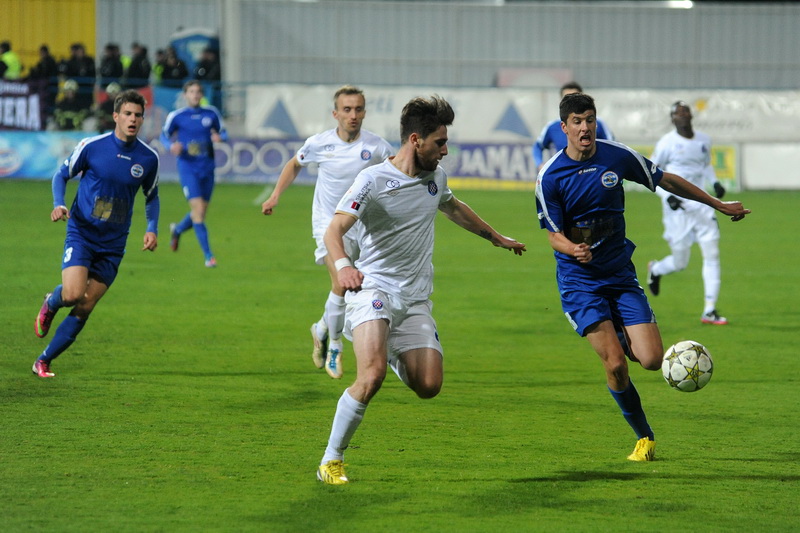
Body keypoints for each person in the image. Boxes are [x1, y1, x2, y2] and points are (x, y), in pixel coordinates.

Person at [316, 95, 527, 485]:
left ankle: (388, 345)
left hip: (414, 300)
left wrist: (495, 237)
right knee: (371, 375)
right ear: (416, 140)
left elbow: (453, 207)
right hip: (373, 288)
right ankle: (331, 460)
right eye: (439, 143)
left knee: (429, 386)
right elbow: (334, 230)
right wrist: (344, 267)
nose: (445, 151)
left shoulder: (436, 178)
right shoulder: (373, 180)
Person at [534, 93, 748, 462]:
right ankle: (644, 437)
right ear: (564, 127)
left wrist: (718, 204)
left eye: (590, 119)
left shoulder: (617, 156)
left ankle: (619, 330)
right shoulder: (551, 176)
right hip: (580, 281)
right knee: (615, 363)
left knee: (650, 360)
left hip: (618, 274)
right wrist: (573, 248)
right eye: (577, 122)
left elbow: (666, 180)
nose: (585, 128)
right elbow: (553, 234)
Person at [260, 85, 394, 379]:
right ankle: (334, 346)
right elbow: (294, 164)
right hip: (327, 224)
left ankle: (321, 328)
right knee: (343, 284)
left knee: (348, 288)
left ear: (364, 112)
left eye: (358, 109)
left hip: (361, 226)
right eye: (346, 110)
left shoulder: (378, 147)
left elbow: (393, 177)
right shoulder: (319, 143)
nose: (353, 115)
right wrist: (274, 196)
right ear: (335, 114)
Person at [33, 89, 160, 378]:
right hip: (83, 233)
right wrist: (58, 203)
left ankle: (44, 360)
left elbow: (152, 196)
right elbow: (61, 175)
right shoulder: (92, 146)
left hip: (113, 243)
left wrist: (151, 229)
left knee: (86, 304)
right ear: (116, 116)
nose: (133, 119)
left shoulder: (148, 158)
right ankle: (52, 301)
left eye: (138, 115)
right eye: (127, 113)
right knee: (74, 294)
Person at [646, 101, 728, 325]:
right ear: (672, 119)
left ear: (691, 115)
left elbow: (705, 164)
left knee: (712, 255)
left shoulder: (703, 139)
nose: (682, 116)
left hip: (702, 205)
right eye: (677, 113)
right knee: (680, 262)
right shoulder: (667, 143)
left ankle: (709, 310)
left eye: (685, 112)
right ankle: (656, 269)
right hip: (677, 210)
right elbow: (651, 173)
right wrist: (667, 196)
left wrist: (715, 182)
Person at [161, 80, 227, 267]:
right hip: (188, 168)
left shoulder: (211, 113)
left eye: (198, 92)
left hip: (207, 167)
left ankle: (178, 230)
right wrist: (170, 145)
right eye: (191, 92)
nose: (195, 95)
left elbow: (225, 132)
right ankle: (209, 256)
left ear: (202, 94)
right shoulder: (177, 116)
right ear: (185, 95)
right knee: (198, 213)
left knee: (200, 212)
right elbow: (164, 135)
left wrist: (220, 137)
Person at [533, 81, 614, 173]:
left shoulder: (597, 123)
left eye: (575, 96)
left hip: (594, 173)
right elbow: (537, 146)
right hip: (566, 174)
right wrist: (540, 164)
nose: (585, 128)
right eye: (566, 98)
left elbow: (612, 146)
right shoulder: (552, 127)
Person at [60, 43, 96, 111]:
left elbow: (92, 73)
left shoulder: (89, 60)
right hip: (76, 86)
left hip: (86, 85)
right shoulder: (71, 61)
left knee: (87, 100)